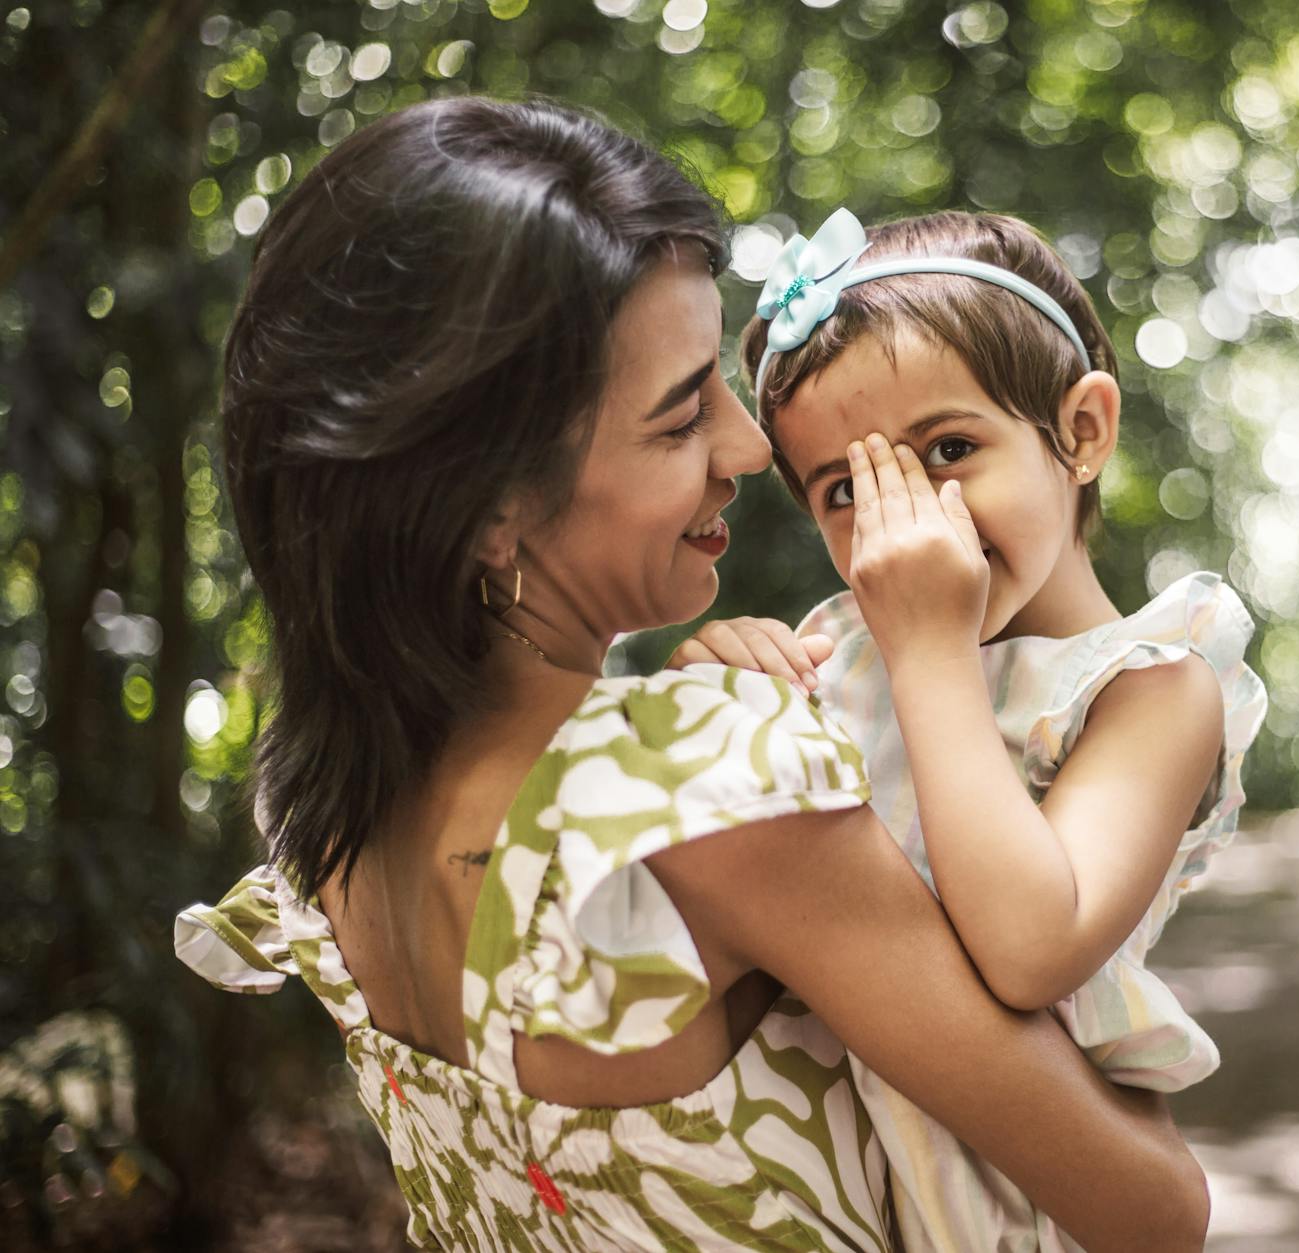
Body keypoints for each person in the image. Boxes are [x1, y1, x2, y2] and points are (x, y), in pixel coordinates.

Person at [170, 97, 1211, 1252]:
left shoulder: (328, 827)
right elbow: (1149, 1207)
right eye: (679, 419)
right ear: (490, 509)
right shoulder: (709, 784)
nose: (751, 448)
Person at [668, 208, 1267, 1250]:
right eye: (847, 489)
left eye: (947, 449)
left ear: (1081, 432)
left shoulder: (1149, 688)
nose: (905, 518)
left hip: (1017, 1204)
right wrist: (726, 692)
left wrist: (931, 655)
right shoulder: (844, 649)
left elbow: (1031, 950)